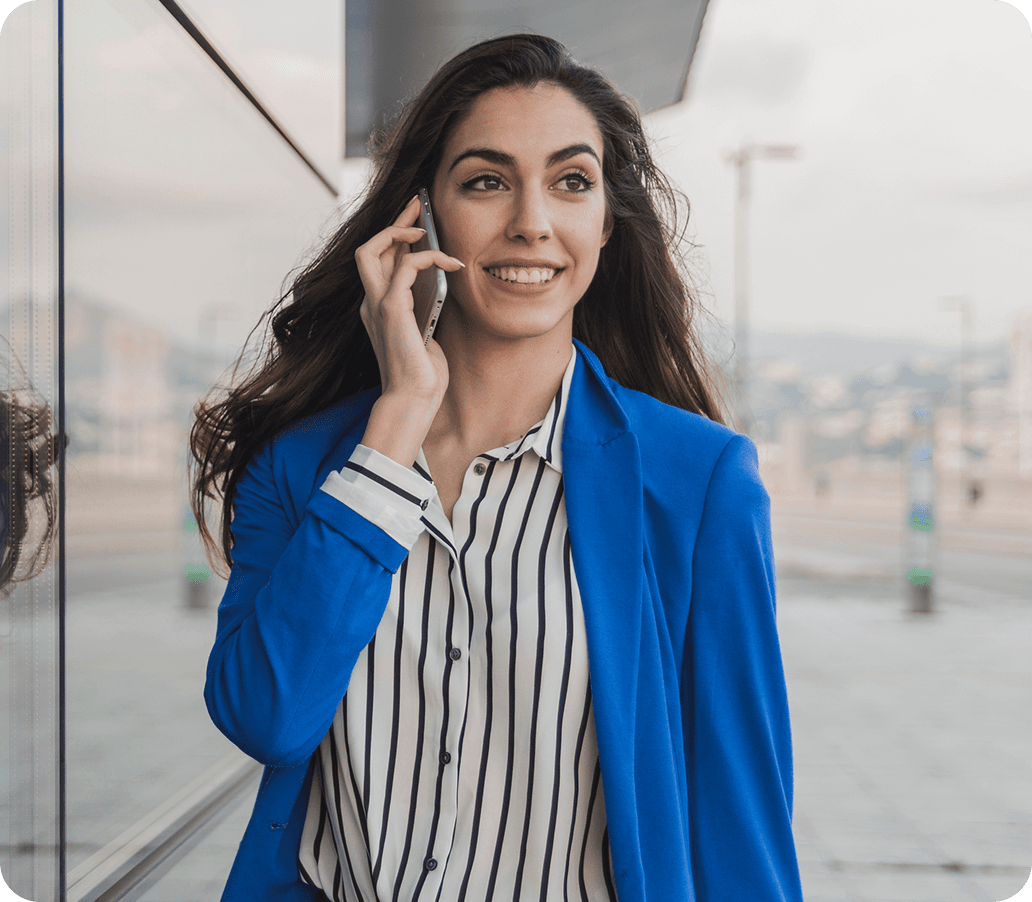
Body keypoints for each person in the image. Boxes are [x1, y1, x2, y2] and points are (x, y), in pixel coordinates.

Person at [192, 33, 803, 902]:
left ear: (604, 220)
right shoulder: (303, 468)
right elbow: (269, 719)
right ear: (419, 216)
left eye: (571, 181)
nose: (531, 221)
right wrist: (396, 421)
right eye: (486, 180)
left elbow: (740, 819)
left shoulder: (701, 484)